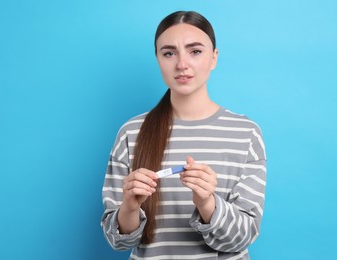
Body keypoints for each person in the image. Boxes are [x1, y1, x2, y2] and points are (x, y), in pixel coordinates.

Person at [101, 10, 267, 259]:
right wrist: (130, 207)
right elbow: (117, 241)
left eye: (195, 51)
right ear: (157, 59)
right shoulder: (131, 132)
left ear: (214, 57)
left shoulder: (246, 134)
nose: (182, 64)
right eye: (169, 53)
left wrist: (207, 204)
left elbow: (243, 237)